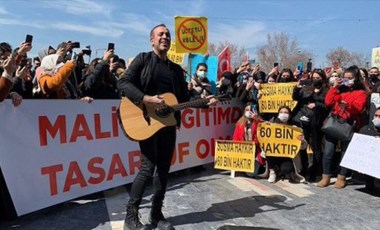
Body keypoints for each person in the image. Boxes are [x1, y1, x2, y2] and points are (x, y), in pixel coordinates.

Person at [117, 24, 216, 230]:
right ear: (152, 40)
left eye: (167, 35)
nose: (165, 37)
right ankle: (131, 217)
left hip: (168, 124)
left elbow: (184, 98)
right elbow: (123, 83)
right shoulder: (143, 60)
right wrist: (146, 99)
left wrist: (204, 102)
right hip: (146, 120)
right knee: (147, 168)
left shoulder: (176, 70)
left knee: (163, 170)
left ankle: (156, 214)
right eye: (160, 34)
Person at [317, 65, 367, 189]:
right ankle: (326, 177)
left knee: (345, 153)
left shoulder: (361, 92)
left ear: (356, 79)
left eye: (350, 78)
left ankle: (341, 177)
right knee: (328, 152)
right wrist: (334, 88)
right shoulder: (339, 89)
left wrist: (347, 105)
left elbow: (359, 108)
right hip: (334, 123)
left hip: (349, 124)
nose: (347, 80)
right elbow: (328, 102)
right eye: (345, 78)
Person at [292, 68, 329, 182]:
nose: (315, 80)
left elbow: (328, 105)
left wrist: (316, 104)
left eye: (318, 78)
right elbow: (296, 98)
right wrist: (296, 89)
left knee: (316, 147)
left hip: (317, 122)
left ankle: (317, 170)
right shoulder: (307, 88)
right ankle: (304, 168)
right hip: (304, 120)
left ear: (322, 78)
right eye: (313, 78)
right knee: (302, 145)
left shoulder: (327, 90)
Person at [265, 106, 307, 183]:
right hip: (274, 156)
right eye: (281, 112)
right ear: (278, 115)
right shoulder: (273, 126)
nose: (283, 114)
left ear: (290, 115)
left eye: (286, 112)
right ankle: (272, 172)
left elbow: (303, 147)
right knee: (268, 149)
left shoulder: (295, 128)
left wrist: (302, 140)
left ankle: (287, 173)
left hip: (288, 157)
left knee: (286, 169)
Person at [232, 103, 265, 177]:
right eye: (247, 110)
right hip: (243, 152)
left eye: (251, 110)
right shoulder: (240, 124)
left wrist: (257, 120)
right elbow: (235, 139)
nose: (249, 112)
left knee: (251, 173)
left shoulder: (259, 122)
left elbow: (262, 136)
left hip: (256, 152)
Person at [359, 107, 380, 191]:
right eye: (376, 115)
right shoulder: (365, 130)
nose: (377, 118)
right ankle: (369, 184)